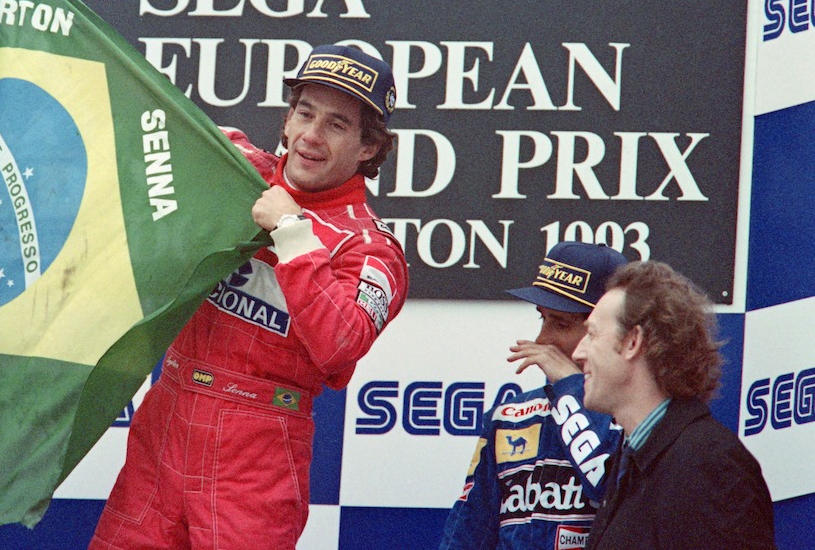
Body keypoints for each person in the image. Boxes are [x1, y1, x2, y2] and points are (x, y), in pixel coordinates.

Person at [89, 39, 409, 545]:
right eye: (304, 112)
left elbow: (341, 344)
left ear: (369, 148)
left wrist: (292, 233)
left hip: (256, 452)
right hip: (165, 423)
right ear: (286, 119)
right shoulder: (234, 167)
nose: (311, 135)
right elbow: (132, 114)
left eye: (337, 124)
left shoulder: (371, 250)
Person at [572, 260, 775, 549]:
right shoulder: (633, 458)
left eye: (592, 334)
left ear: (633, 342)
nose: (579, 352)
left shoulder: (711, 468)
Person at [439, 241, 627, 550]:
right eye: (542, 318)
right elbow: (468, 532)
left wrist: (570, 387)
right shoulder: (510, 416)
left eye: (561, 323)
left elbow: (606, 489)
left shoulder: (637, 417)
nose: (542, 340)